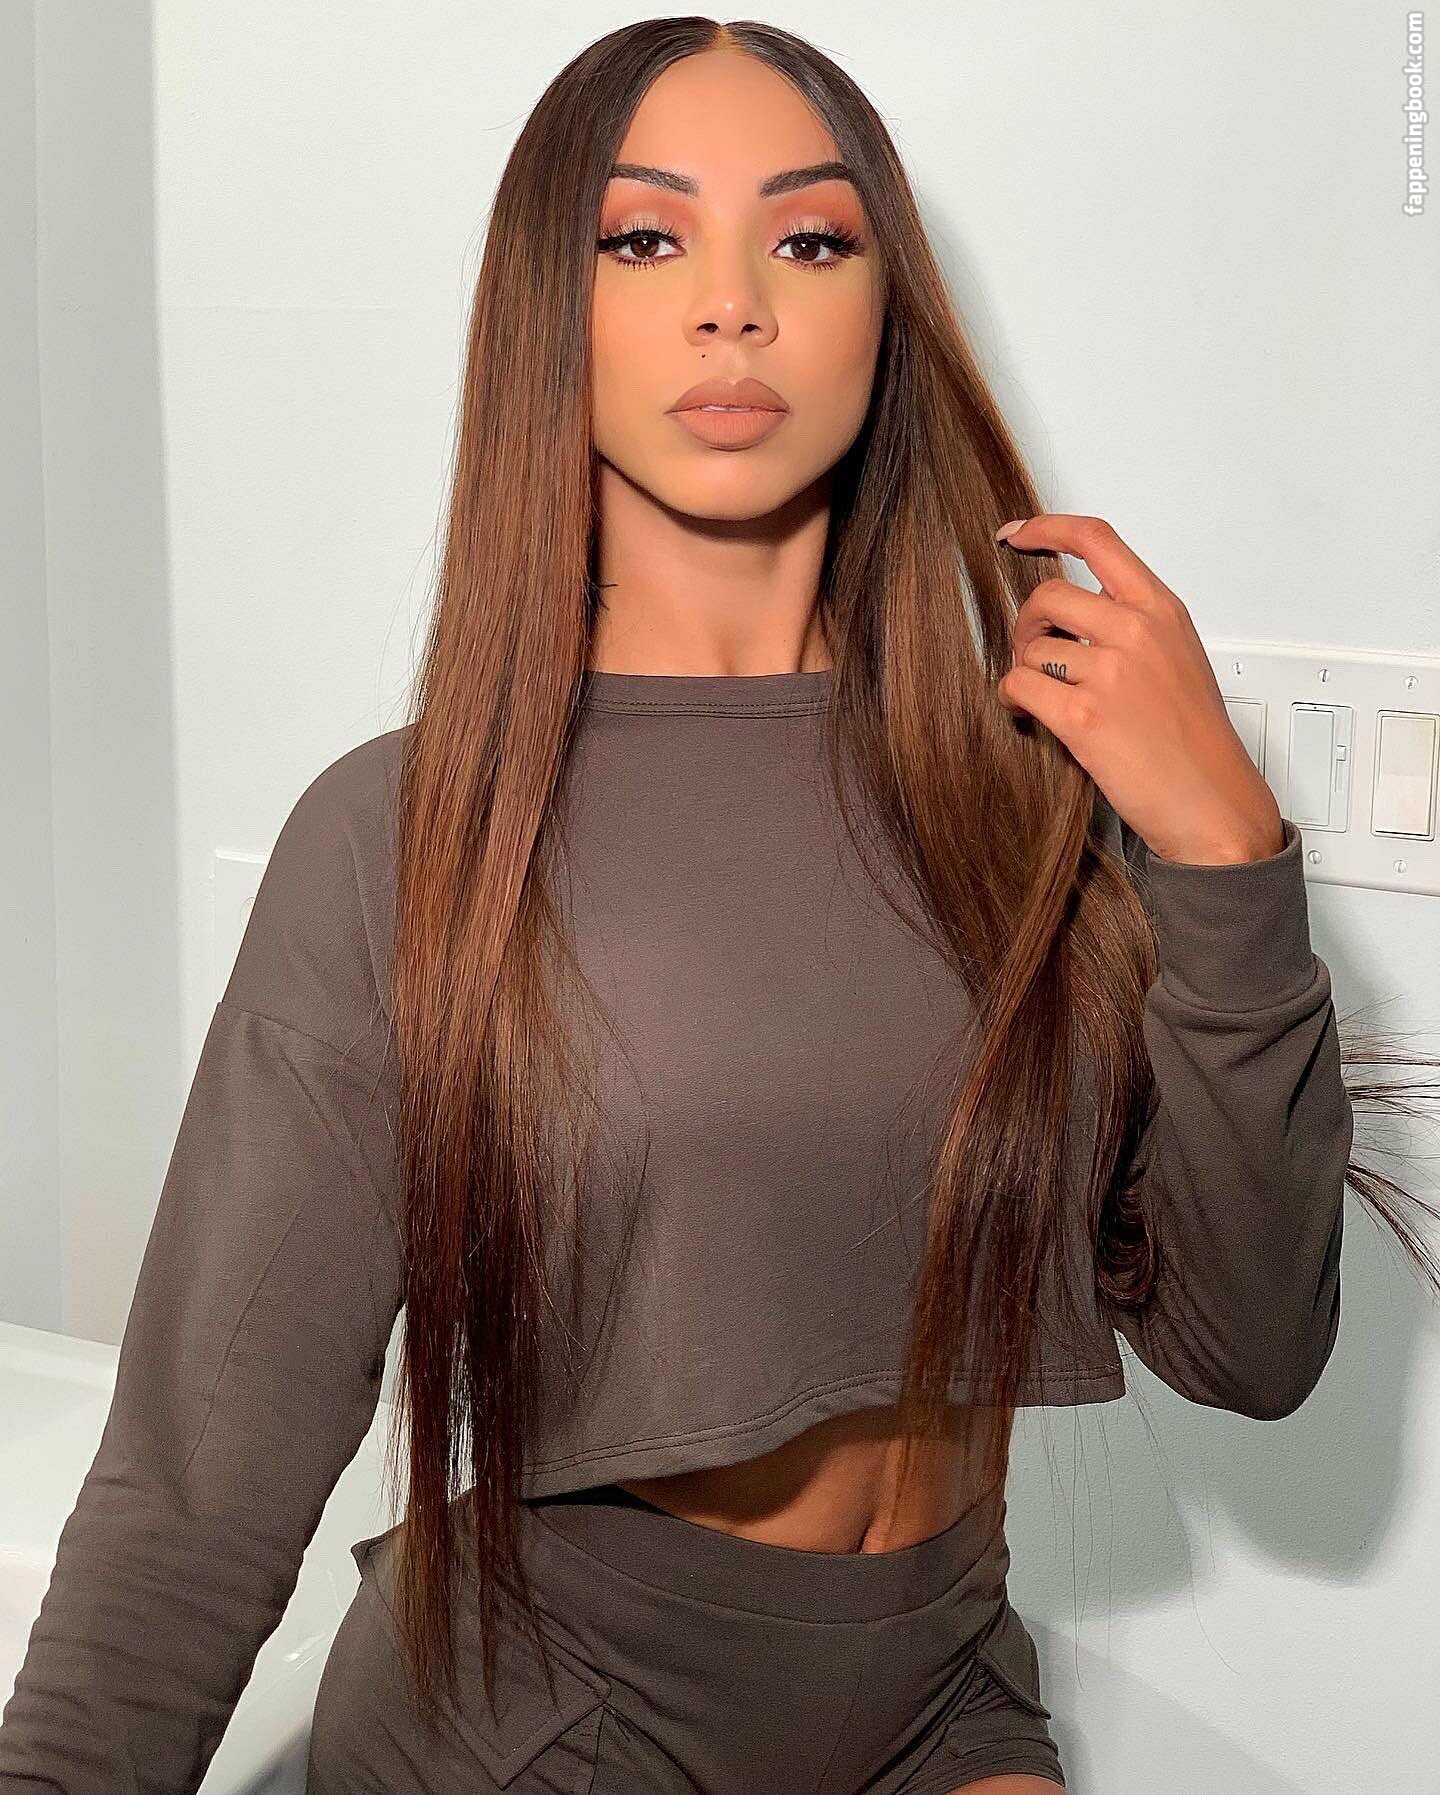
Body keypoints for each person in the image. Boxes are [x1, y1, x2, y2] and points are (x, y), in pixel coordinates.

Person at [2, 18, 1432, 1795]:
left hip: (939, 1693)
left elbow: (1255, 1346)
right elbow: (196, 1494)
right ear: (554, 311)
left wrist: (1223, 849)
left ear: (885, 314)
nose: (733, 307)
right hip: (549, 1732)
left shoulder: (1036, 794)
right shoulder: (407, 836)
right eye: (645, 238)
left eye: (810, 240)